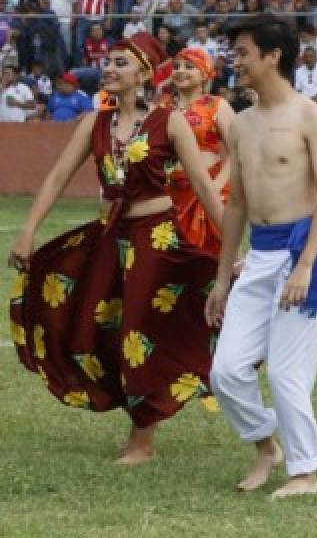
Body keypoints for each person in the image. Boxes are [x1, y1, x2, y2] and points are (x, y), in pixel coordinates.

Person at [7, 32, 223, 465]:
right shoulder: (94, 123)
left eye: (121, 63)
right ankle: (130, 410)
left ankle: (141, 440)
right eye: (107, 61)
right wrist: (28, 230)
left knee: (138, 331)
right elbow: (56, 179)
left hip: (157, 238)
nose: (109, 69)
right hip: (110, 236)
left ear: (144, 74)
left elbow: (201, 185)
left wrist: (231, 243)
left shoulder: (169, 121)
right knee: (95, 323)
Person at [205, 15, 317, 500]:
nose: (234, 61)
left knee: (286, 371)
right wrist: (223, 280)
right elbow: (236, 204)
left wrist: (304, 264)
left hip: (305, 252)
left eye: (242, 52)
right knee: (225, 371)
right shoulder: (240, 124)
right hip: (259, 259)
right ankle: (267, 446)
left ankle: (305, 472)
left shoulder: (312, 116)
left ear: (272, 56)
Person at [163, 47, 235, 256]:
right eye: (176, 66)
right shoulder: (162, 107)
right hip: (171, 193)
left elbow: (237, 153)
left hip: (211, 188)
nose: (180, 71)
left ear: (204, 73)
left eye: (189, 66)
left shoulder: (216, 105)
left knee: (211, 255)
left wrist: (215, 187)